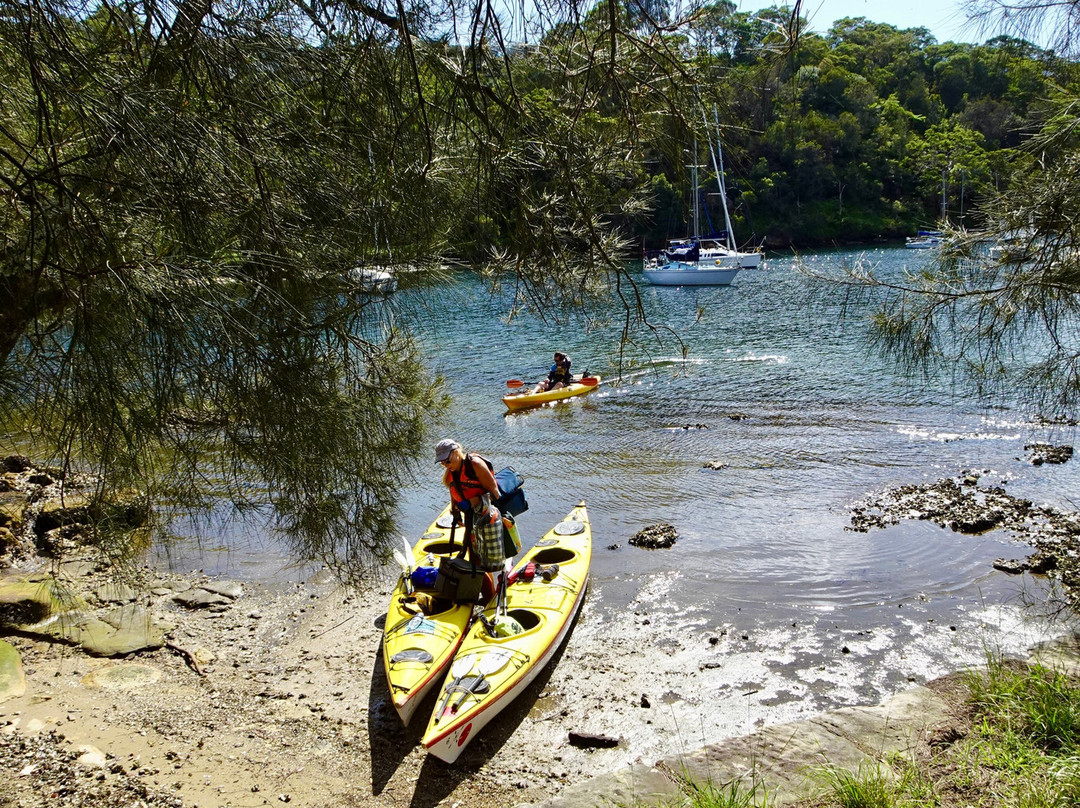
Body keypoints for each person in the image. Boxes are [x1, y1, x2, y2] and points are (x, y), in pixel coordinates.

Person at [435, 440, 507, 594]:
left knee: (484, 562)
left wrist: (473, 501)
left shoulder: (475, 465)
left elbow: (495, 494)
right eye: (442, 463)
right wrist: (455, 511)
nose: (446, 465)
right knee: (474, 559)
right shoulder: (451, 472)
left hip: (486, 518)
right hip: (470, 518)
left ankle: (489, 597)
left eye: (447, 460)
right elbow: (455, 492)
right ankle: (483, 594)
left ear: (456, 453)